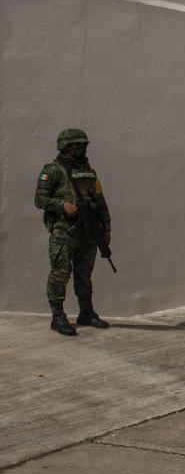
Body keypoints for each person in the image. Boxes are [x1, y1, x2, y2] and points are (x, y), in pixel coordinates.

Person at [34, 128, 111, 336]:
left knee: (84, 273)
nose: (82, 149)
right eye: (78, 145)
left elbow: (100, 201)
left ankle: (86, 312)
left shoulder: (89, 171)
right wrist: (62, 205)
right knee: (60, 273)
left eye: (84, 145)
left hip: (89, 230)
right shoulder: (53, 169)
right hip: (64, 231)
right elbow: (39, 200)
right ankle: (57, 316)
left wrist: (106, 228)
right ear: (66, 147)